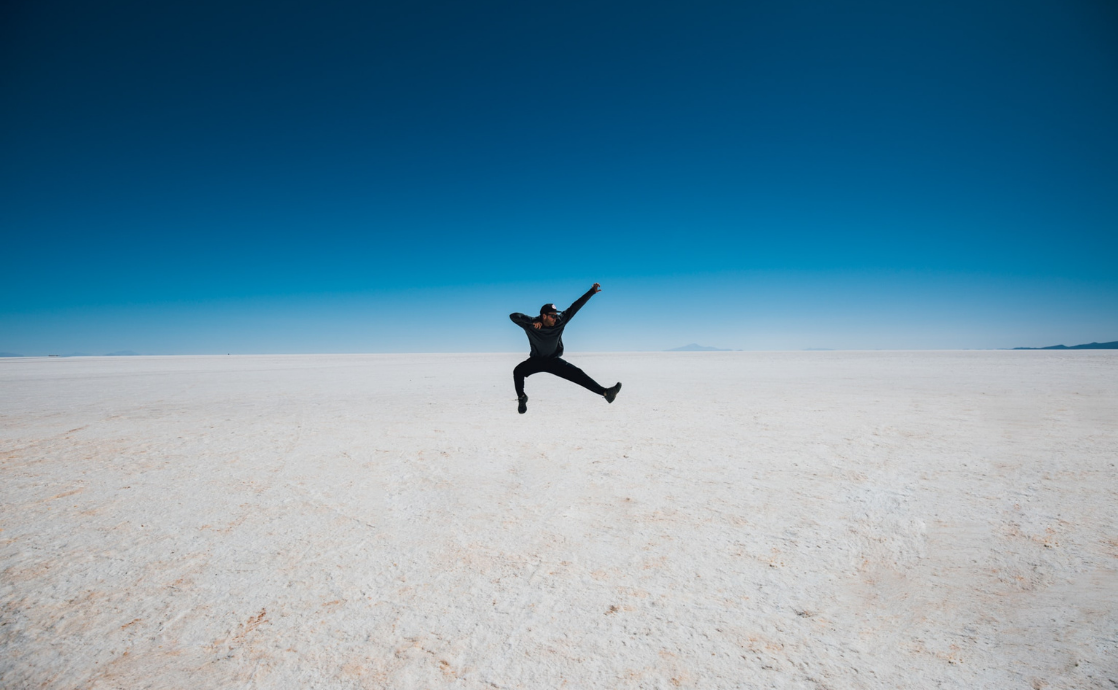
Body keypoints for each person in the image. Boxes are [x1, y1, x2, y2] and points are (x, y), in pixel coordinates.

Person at [509, 282, 621, 414]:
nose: (555, 318)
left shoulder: (560, 321)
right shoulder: (532, 324)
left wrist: (591, 292)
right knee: (518, 371)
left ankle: (606, 392)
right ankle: (522, 398)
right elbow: (513, 316)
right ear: (544, 316)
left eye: (556, 315)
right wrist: (531, 321)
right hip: (536, 361)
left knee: (577, 374)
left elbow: (575, 307)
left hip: (553, 361)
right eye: (552, 315)